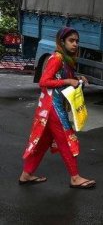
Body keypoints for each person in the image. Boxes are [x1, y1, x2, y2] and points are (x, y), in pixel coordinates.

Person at [18, 27, 96, 189]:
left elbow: (60, 77)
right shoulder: (57, 58)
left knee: (43, 142)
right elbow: (43, 82)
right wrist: (68, 82)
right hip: (53, 107)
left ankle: (26, 174)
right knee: (67, 140)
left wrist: (77, 78)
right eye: (71, 41)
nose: (75, 44)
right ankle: (75, 178)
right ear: (62, 42)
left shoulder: (66, 59)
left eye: (77, 41)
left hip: (51, 107)